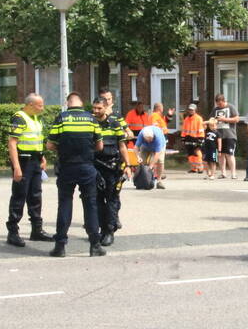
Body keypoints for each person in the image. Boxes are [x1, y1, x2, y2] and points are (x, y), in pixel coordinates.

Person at [47, 92, 105, 257]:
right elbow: (100, 146)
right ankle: (95, 245)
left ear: (67, 103)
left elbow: (50, 145)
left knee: (65, 204)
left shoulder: (61, 118)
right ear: (82, 104)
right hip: (87, 167)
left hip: (67, 167)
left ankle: (60, 246)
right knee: (91, 205)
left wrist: (64, 151)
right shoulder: (91, 119)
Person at [5, 93, 52, 247]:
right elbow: (12, 143)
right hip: (23, 162)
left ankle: (36, 230)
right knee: (19, 196)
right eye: (40, 105)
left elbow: (37, 140)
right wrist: (17, 167)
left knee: (35, 196)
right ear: (30, 105)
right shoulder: (19, 117)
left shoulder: (36, 118)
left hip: (35, 160)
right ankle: (13, 232)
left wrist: (42, 157)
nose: (42, 108)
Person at [93, 98, 129, 246]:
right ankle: (102, 229)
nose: (96, 111)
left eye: (99, 108)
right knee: (97, 201)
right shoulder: (91, 124)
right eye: (94, 108)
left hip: (112, 167)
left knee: (112, 200)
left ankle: (110, 231)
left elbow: (122, 146)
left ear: (106, 108)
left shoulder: (114, 124)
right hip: (95, 167)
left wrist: (127, 165)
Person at [213, 94, 240, 179]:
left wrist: (224, 119)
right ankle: (223, 173)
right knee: (221, 155)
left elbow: (237, 119)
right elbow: (211, 119)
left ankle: (233, 173)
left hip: (230, 134)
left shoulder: (231, 107)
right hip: (219, 135)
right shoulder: (215, 109)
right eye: (218, 104)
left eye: (220, 104)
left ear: (224, 101)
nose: (219, 106)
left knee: (230, 154)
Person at [137, 124, 167, 189]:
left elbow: (157, 154)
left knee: (160, 161)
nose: (149, 141)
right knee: (142, 162)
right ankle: (142, 180)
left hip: (158, 147)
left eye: (151, 139)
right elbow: (136, 148)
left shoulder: (158, 138)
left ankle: (159, 181)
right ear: (144, 137)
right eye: (147, 139)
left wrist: (151, 166)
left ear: (153, 136)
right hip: (145, 146)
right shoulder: (141, 135)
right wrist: (138, 157)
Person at [181, 103, 205, 173]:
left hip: (196, 138)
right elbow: (184, 129)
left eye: (192, 110)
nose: (191, 111)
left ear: (195, 110)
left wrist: (201, 139)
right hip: (188, 138)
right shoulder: (186, 119)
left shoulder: (199, 118)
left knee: (197, 152)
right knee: (190, 153)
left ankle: (200, 168)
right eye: (190, 110)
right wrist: (183, 138)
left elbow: (201, 130)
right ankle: (194, 168)